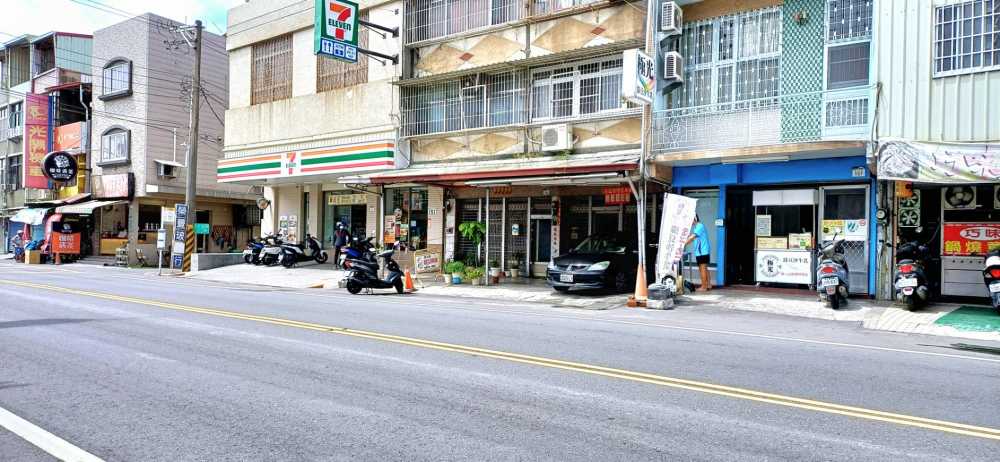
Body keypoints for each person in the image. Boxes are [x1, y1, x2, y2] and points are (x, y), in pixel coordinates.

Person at [685, 215, 712, 291]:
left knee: (702, 268)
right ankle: (708, 284)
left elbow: (692, 237)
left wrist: (682, 244)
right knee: (705, 268)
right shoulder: (697, 227)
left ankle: (704, 286)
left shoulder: (699, 226)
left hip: (702, 252)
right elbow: (692, 238)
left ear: (695, 219)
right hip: (702, 251)